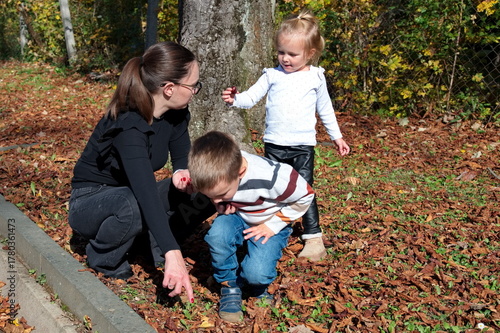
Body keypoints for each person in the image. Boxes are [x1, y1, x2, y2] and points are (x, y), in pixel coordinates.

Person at [68, 41, 215, 302]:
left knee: (206, 191)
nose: (195, 91)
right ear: (169, 88)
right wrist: (175, 253)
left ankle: (152, 247)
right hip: (92, 200)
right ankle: (104, 259)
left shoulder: (176, 114)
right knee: (130, 205)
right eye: (193, 85)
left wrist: (184, 173)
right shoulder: (129, 125)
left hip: (131, 197)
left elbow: (182, 155)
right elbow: (145, 192)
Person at [221, 10, 350, 262]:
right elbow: (250, 98)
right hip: (275, 145)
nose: (285, 59)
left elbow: (325, 110)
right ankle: (273, 225)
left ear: (310, 53)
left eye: (292, 54)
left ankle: (313, 237)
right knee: (273, 188)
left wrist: (337, 137)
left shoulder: (315, 77)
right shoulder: (272, 75)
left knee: (304, 190)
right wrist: (234, 99)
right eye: (281, 52)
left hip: (302, 147)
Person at [188, 131, 314, 322]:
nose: (215, 200)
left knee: (257, 274)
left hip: (270, 221)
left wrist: (273, 225)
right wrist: (220, 203)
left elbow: (306, 195)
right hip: (240, 216)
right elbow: (217, 195)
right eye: (211, 196)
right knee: (217, 235)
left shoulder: (273, 177)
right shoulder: (220, 173)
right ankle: (228, 284)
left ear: (240, 173)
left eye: (222, 194)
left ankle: (258, 287)